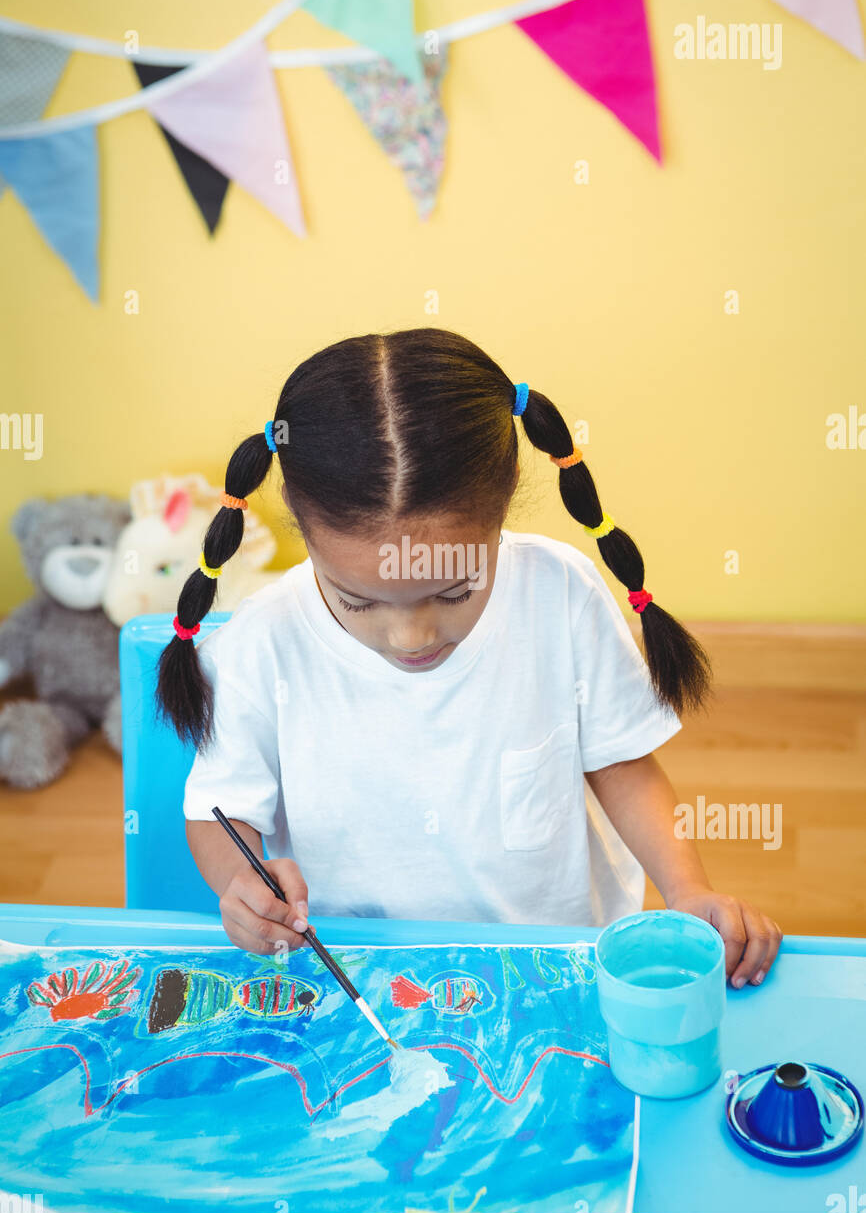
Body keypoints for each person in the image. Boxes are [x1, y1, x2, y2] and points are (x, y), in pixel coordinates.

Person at [157, 328, 782, 987]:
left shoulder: (559, 592)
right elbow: (220, 811)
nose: (411, 636)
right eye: (360, 601)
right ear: (299, 516)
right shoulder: (264, 639)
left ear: (507, 491)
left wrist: (686, 893)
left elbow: (621, 763)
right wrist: (240, 887)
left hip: (547, 971)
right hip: (349, 978)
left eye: (452, 590)